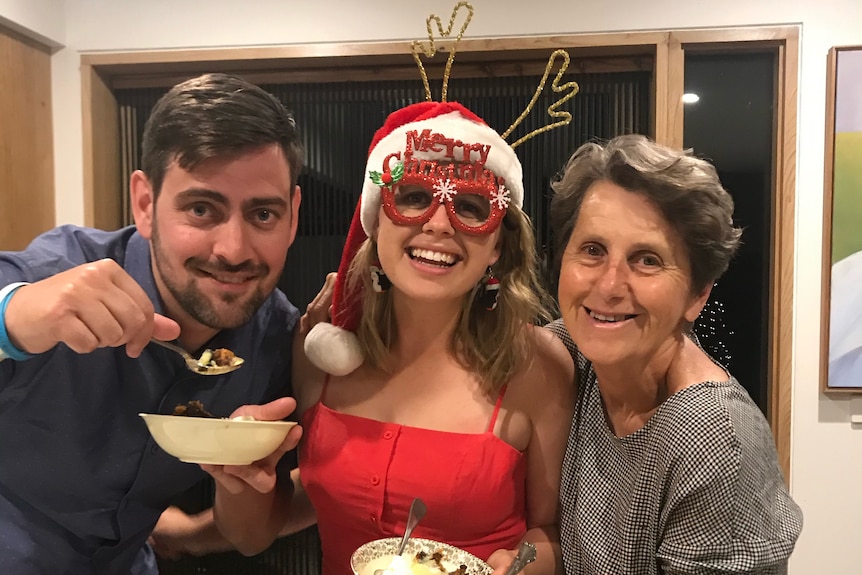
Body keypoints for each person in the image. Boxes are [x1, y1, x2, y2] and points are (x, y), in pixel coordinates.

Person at [202, 100, 575, 575]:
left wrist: (523, 566)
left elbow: (552, 532)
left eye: (470, 207)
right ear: (376, 221)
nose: (439, 224)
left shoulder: (536, 365)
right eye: (415, 197)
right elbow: (253, 536)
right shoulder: (319, 350)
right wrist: (237, 479)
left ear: (497, 245)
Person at [0, 72, 306, 574]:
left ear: (293, 217)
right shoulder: (58, 276)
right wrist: (10, 316)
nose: (233, 250)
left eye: (263, 215)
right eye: (202, 209)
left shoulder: (277, 338)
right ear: (145, 204)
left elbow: (250, 535)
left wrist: (241, 482)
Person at [544, 134, 803, 574]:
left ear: (696, 296)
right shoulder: (580, 355)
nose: (608, 286)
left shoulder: (711, 442)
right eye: (592, 250)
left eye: (646, 260)